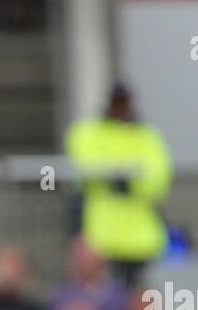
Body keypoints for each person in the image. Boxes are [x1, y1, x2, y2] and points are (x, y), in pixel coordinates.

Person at [65, 83, 172, 286]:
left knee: (139, 297)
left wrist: (121, 177)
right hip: (102, 235)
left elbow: (159, 177)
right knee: (106, 297)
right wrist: (129, 173)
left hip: (141, 237)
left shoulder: (147, 135)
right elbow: (83, 165)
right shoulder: (89, 131)